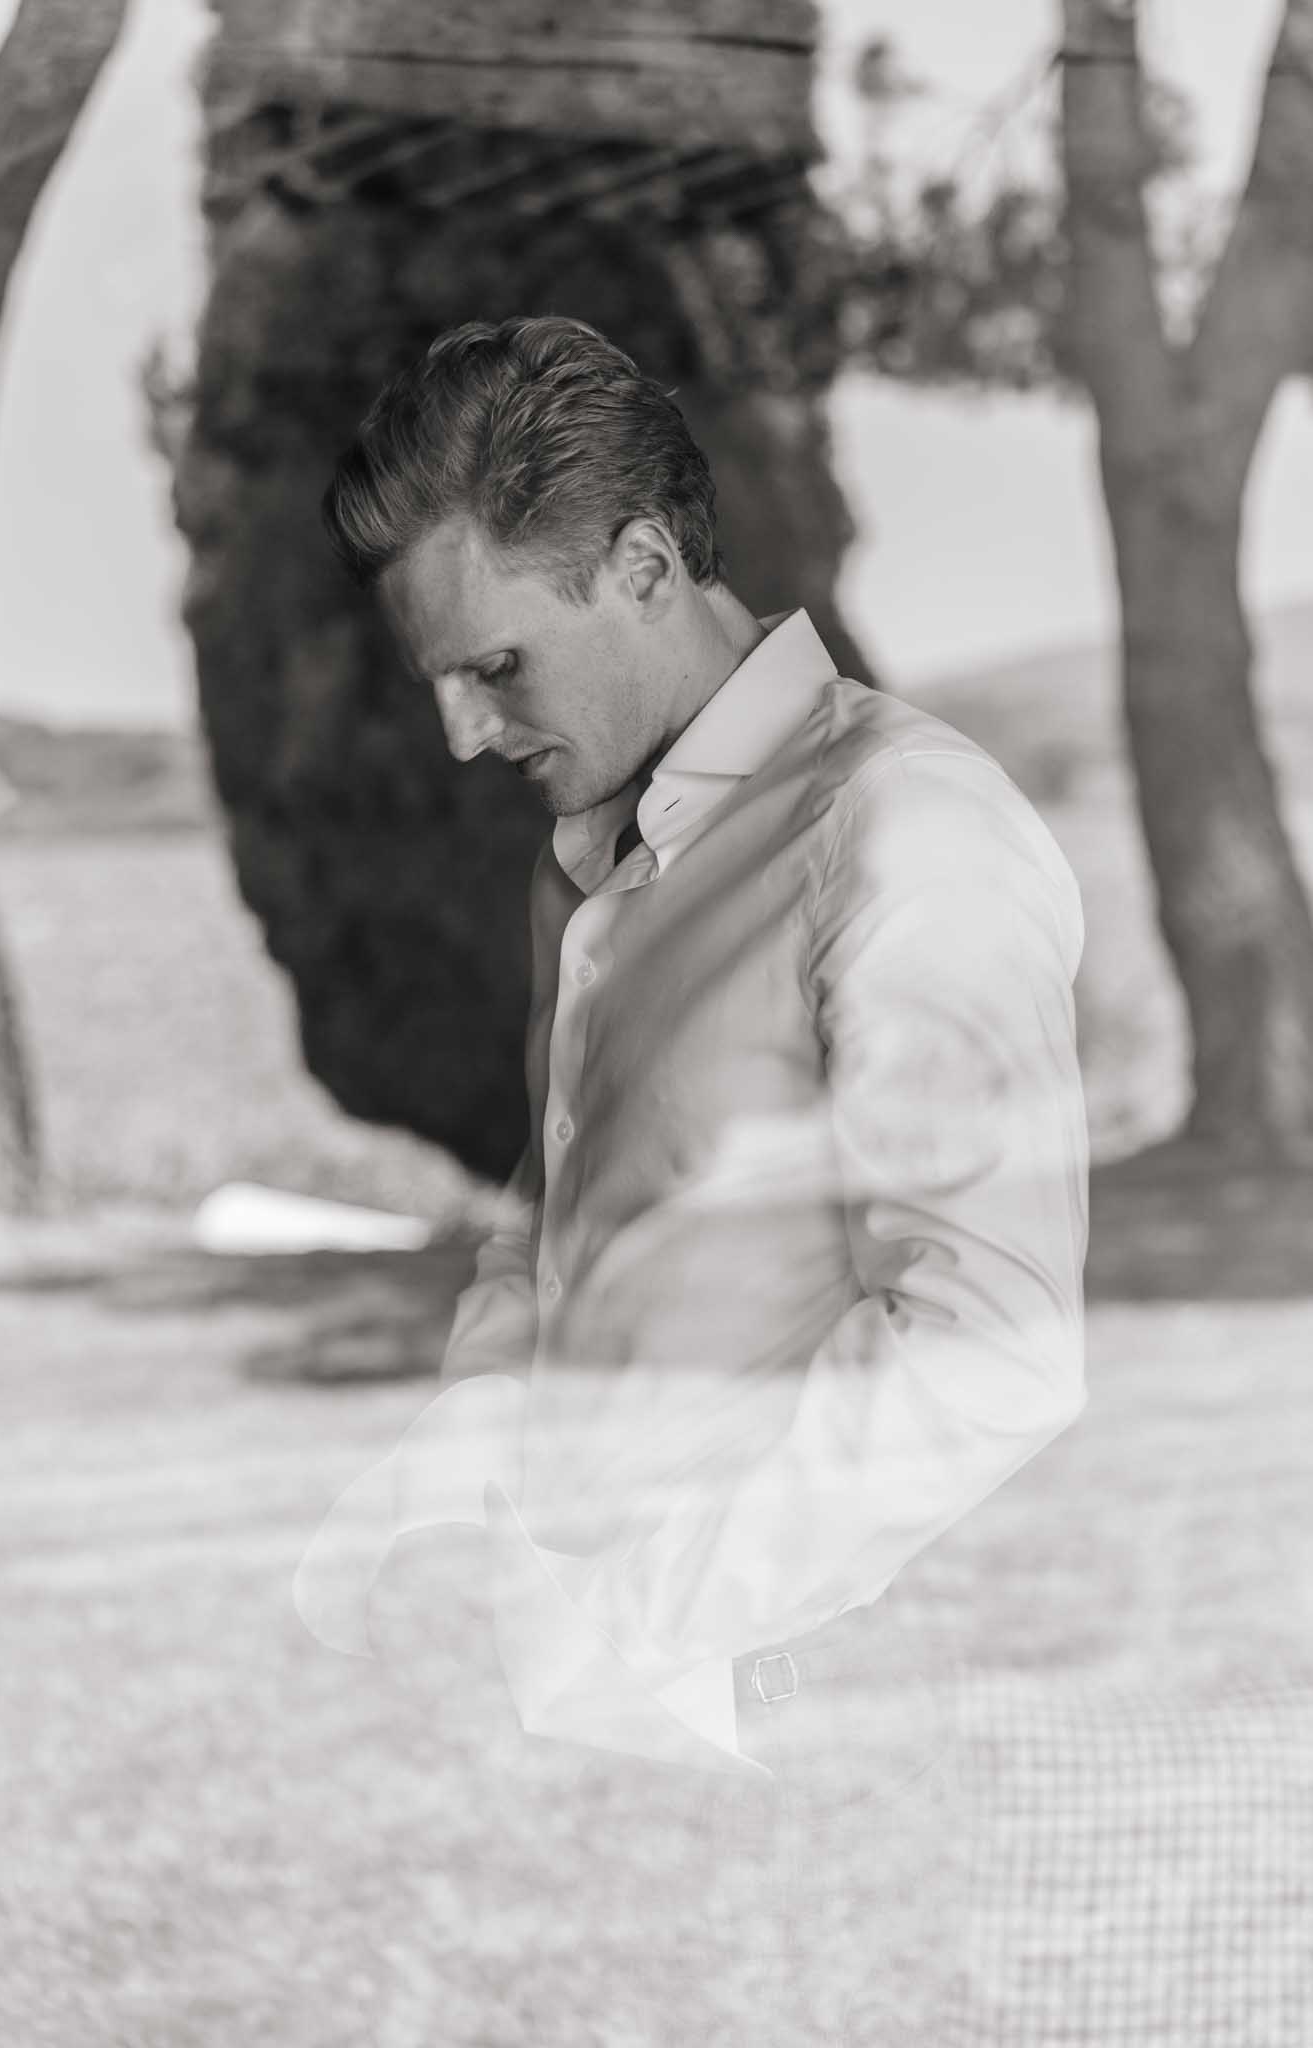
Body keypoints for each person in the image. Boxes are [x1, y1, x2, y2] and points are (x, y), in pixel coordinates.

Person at [293, 314, 1091, 2039]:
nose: (453, 733)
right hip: (614, 1728)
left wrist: (628, 1623)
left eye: (494, 666)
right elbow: (565, 1205)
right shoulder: (591, 866)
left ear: (643, 563)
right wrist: (456, 1477)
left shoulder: (902, 831)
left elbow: (987, 1344)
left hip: (821, 1738)